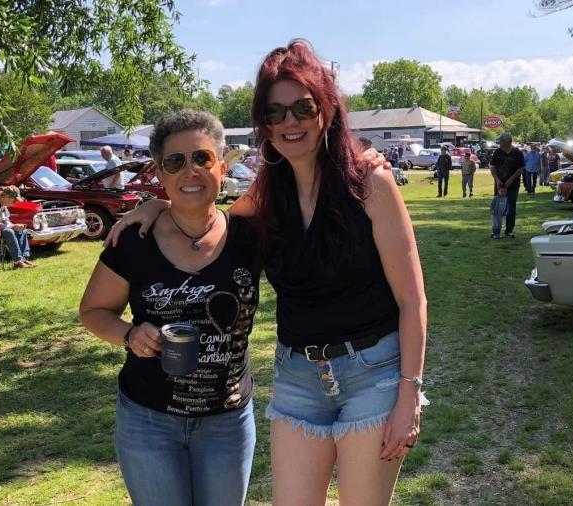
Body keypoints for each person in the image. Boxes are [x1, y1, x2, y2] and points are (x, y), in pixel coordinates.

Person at [107, 39, 427, 506]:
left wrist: (409, 396)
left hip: (371, 375)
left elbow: (412, 300)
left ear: (327, 110)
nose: (289, 122)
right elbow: (211, 219)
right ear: (263, 125)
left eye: (303, 107)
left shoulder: (369, 185)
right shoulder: (266, 192)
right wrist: (160, 203)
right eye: (275, 113)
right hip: (297, 376)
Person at [79, 110, 259, 506]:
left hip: (227, 423)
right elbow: (92, 311)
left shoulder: (249, 235)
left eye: (202, 158)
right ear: (160, 173)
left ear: (222, 162)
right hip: (149, 422)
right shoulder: (134, 240)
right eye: (175, 162)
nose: (189, 171)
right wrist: (129, 334)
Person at [0, 186, 35, 268]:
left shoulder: (2, 203)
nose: (15, 202)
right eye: (14, 200)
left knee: (23, 230)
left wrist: (15, 226)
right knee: (9, 232)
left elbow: (6, 220)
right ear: (6, 197)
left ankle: (24, 259)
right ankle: (17, 262)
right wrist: (13, 227)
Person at [489, 132, 525, 239]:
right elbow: (492, 167)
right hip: (500, 185)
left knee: (511, 208)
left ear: (508, 142)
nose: (500, 144)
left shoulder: (517, 153)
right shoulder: (497, 152)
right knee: (497, 209)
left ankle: (509, 230)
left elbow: (521, 168)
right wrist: (497, 179)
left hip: (513, 185)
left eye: (501, 142)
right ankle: (496, 230)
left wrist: (511, 179)